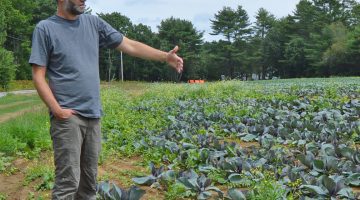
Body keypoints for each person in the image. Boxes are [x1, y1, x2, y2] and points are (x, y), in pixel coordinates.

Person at [29, 0, 183, 199]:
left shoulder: (93, 23)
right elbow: (38, 76)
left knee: (88, 184)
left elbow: (129, 45)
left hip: (93, 115)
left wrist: (165, 57)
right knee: (67, 183)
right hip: (68, 119)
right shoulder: (45, 28)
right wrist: (57, 110)